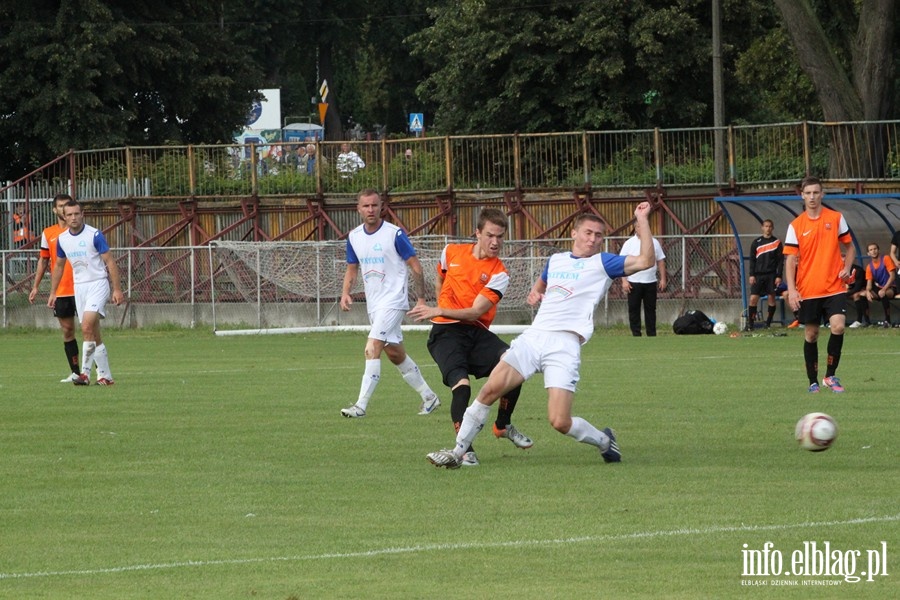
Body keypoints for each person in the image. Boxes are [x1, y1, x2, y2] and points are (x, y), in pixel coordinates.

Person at [427, 204, 656, 469]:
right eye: (588, 232)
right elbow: (542, 282)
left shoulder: (604, 262)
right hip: (534, 338)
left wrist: (642, 219)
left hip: (565, 344)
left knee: (560, 421)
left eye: (598, 235)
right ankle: (458, 452)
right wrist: (536, 293)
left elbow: (646, 261)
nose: (592, 239)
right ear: (574, 233)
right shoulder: (556, 260)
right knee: (489, 390)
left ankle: (605, 441)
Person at [407, 208, 533, 467]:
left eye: (500, 236)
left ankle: (502, 425)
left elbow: (476, 311)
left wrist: (439, 308)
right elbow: (440, 275)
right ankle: (466, 451)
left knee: (515, 364)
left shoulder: (500, 273)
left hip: (475, 330)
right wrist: (441, 307)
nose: (495, 242)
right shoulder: (451, 251)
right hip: (445, 333)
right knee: (461, 386)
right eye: (490, 235)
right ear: (477, 233)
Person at [339, 189, 440, 417]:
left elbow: (415, 266)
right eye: (366, 206)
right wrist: (346, 293)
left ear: (381, 206)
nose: (371, 210)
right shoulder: (354, 236)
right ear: (359, 209)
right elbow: (351, 269)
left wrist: (421, 298)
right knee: (395, 353)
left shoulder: (394, 234)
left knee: (371, 347)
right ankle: (429, 396)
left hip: (394, 302)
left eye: (375, 205)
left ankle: (360, 406)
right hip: (374, 305)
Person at [783, 176, 855, 394]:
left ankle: (830, 376)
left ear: (822, 194)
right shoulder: (796, 225)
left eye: (816, 192)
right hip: (809, 289)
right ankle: (812, 381)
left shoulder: (835, 218)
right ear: (802, 195)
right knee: (811, 335)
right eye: (808, 193)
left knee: (839, 326)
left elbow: (850, 248)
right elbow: (790, 260)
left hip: (834, 286)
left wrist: (847, 268)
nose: (812, 197)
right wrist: (793, 290)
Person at [48, 199, 125, 385]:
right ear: (64, 217)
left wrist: (117, 289)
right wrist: (53, 292)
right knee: (93, 333)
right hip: (79, 287)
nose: (74, 217)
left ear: (82, 214)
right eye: (70, 215)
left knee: (86, 327)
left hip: (97, 284)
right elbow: (58, 265)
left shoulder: (94, 235)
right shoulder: (63, 239)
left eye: (77, 214)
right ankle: (106, 376)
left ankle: (84, 374)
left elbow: (110, 262)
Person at [29, 193, 82, 382]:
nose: (63, 209)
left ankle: (100, 370)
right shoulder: (48, 233)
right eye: (60, 206)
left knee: (90, 329)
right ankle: (76, 372)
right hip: (62, 290)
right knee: (68, 331)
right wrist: (36, 286)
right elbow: (44, 261)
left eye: (67, 205)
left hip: (83, 287)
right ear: (55, 210)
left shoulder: (80, 231)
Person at [619, 231, 666, 336]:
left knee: (650, 309)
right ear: (636, 228)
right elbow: (621, 262)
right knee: (634, 309)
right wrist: (624, 280)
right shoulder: (629, 243)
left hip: (650, 281)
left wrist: (663, 279)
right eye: (639, 226)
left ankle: (651, 334)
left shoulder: (654, 242)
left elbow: (661, 261)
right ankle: (636, 334)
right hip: (633, 282)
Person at [746, 219, 783, 329]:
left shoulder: (776, 243)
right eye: (766, 226)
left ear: (772, 228)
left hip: (771, 275)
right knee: (753, 299)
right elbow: (752, 260)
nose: (768, 228)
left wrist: (779, 276)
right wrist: (751, 274)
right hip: (758, 275)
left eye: (770, 226)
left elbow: (780, 261)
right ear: (762, 227)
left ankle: (768, 323)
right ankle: (750, 324)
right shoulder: (756, 242)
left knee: (771, 298)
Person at [863, 243, 896, 328]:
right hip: (880, 288)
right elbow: (869, 284)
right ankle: (867, 322)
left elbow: (892, 277)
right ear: (868, 253)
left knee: (882, 293)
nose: (873, 251)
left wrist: (884, 289)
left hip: (892, 287)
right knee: (862, 295)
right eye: (871, 250)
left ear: (878, 250)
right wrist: (867, 292)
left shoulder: (886, 258)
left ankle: (887, 321)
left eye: (875, 249)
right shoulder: (869, 267)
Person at [846, 259, 869, 328]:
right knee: (833, 296)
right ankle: (829, 322)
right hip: (848, 291)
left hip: (864, 289)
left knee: (856, 295)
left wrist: (845, 294)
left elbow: (858, 287)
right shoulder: (837, 270)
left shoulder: (858, 270)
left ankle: (860, 321)